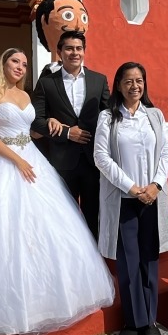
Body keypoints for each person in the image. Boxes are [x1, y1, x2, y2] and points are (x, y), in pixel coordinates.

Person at [0, 48, 114, 335]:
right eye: (14, 61)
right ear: (3, 63)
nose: (20, 67)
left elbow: (29, 130)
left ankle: (49, 298)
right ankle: (7, 309)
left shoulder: (24, 96)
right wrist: (16, 159)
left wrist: (49, 125)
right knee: (7, 234)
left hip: (33, 160)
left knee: (47, 228)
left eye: (24, 63)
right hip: (4, 164)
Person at [94, 62, 168, 335]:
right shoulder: (108, 117)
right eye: (128, 81)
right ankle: (132, 322)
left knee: (149, 261)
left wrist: (155, 185)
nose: (134, 86)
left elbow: (166, 152)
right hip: (124, 200)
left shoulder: (154, 115)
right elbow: (101, 158)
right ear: (118, 85)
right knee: (128, 264)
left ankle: (149, 321)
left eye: (139, 80)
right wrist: (131, 187)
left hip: (151, 198)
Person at [31, 31, 110, 238]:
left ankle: (93, 265)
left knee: (94, 215)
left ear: (84, 51)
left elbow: (109, 117)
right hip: (62, 161)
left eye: (78, 48)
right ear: (59, 52)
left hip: (93, 161)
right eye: (69, 48)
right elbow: (35, 121)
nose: (74, 53)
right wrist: (67, 133)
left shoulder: (99, 80)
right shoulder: (47, 83)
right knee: (64, 217)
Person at [35, 0, 89, 75]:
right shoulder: (47, 78)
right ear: (44, 21)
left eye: (83, 18)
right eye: (68, 15)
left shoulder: (93, 78)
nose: (78, 26)